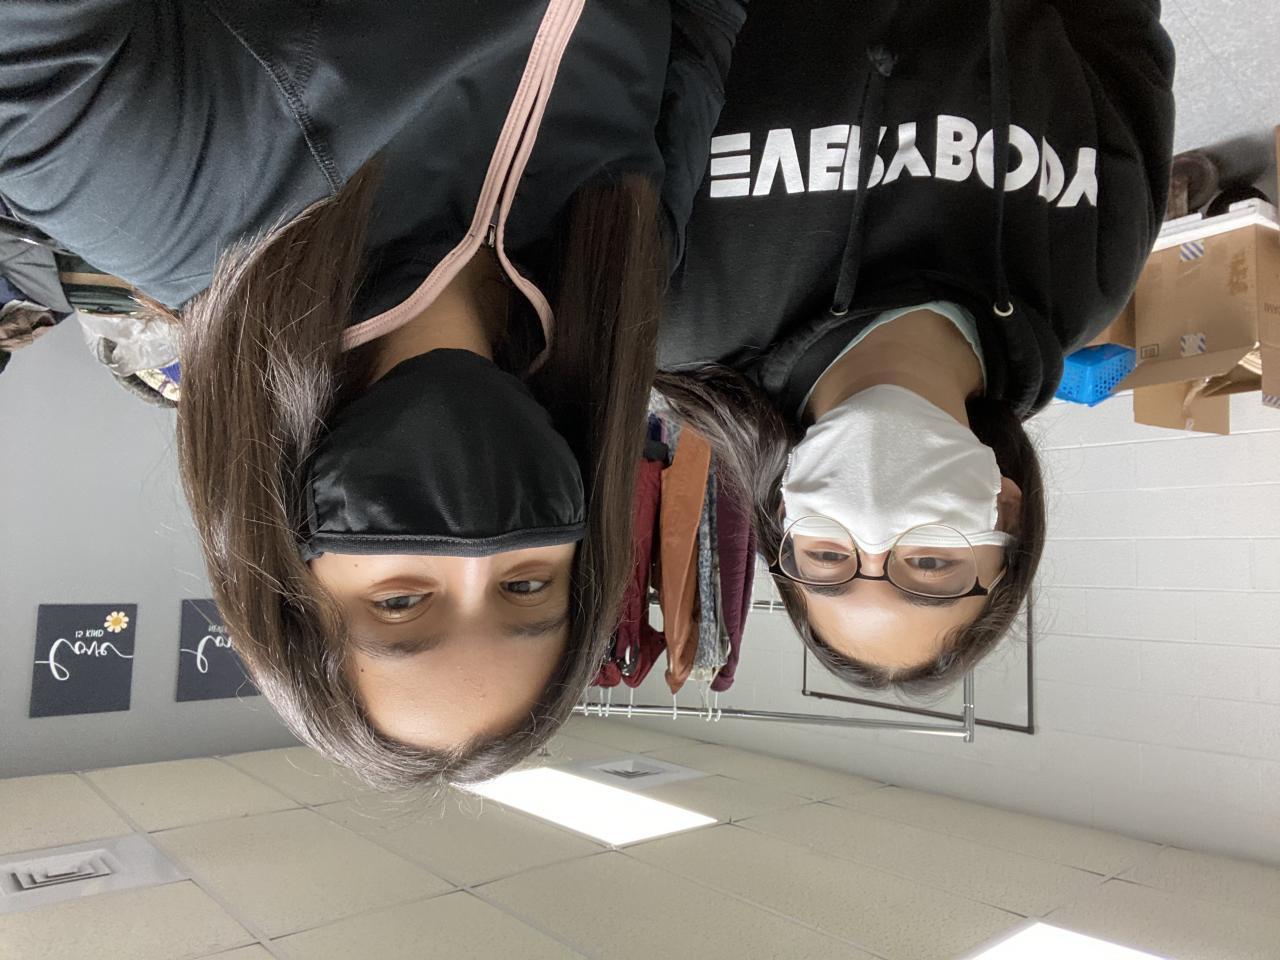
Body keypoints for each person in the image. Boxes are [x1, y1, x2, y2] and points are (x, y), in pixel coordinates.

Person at [0, 1, 744, 787]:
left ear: (287, 574)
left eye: (400, 604)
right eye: (527, 587)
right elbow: (703, 28)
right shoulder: (628, 277)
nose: (476, 556)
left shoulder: (151, 195)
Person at [656, 0, 1175, 692]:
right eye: (930, 566)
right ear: (1007, 512)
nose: (873, 531)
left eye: (828, 561)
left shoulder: (682, 307)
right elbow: (1120, 29)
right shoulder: (1088, 279)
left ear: (783, 517)